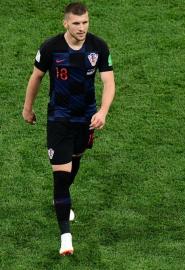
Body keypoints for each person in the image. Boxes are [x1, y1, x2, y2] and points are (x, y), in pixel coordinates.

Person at [22, 2, 115, 256]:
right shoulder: (51, 48)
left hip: (85, 119)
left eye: (85, 22)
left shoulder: (99, 47)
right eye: (76, 23)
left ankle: (61, 199)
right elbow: (36, 77)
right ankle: (65, 237)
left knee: (74, 163)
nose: (82, 28)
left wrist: (102, 112)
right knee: (61, 176)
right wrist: (27, 108)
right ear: (66, 23)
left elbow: (108, 82)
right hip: (59, 119)